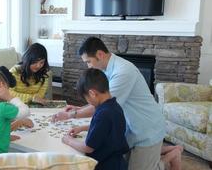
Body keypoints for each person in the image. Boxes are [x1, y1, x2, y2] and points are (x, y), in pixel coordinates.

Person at [52, 37, 167, 170]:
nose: (88, 66)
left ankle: (170, 156)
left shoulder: (123, 72)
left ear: (100, 54)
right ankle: (169, 152)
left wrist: (71, 115)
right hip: (130, 128)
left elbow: (102, 106)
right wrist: (79, 108)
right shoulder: (105, 70)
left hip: (147, 129)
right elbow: (100, 102)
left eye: (88, 61)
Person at [62, 68, 129, 170]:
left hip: (105, 165)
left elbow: (88, 148)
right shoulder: (114, 106)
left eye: (87, 99)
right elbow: (106, 129)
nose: (88, 102)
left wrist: (69, 140)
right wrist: (82, 128)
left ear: (92, 93)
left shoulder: (103, 114)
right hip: (118, 162)